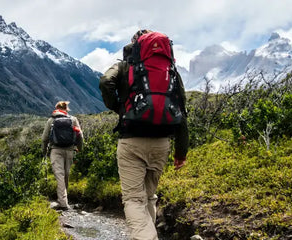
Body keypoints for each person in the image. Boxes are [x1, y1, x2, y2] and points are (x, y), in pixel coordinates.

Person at [99, 30, 189, 239]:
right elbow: (181, 110)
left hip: (131, 141)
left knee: (133, 200)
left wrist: (119, 107)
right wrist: (181, 152)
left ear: (135, 46)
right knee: (149, 196)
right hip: (162, 143)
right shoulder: (171, 70)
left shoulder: (125, 66)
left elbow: (105, 82)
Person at [41, 101, 84, 211]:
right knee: (66, 174)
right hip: (70, 150)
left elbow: (44, 138)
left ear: (56, 108)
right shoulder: (73, 119)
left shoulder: (51, 120)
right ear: (66, 109)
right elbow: (80, 136)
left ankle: (63, 203)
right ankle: (64, 200)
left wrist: (44, 152)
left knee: (59, 175)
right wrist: (80, 149)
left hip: (56, 150)